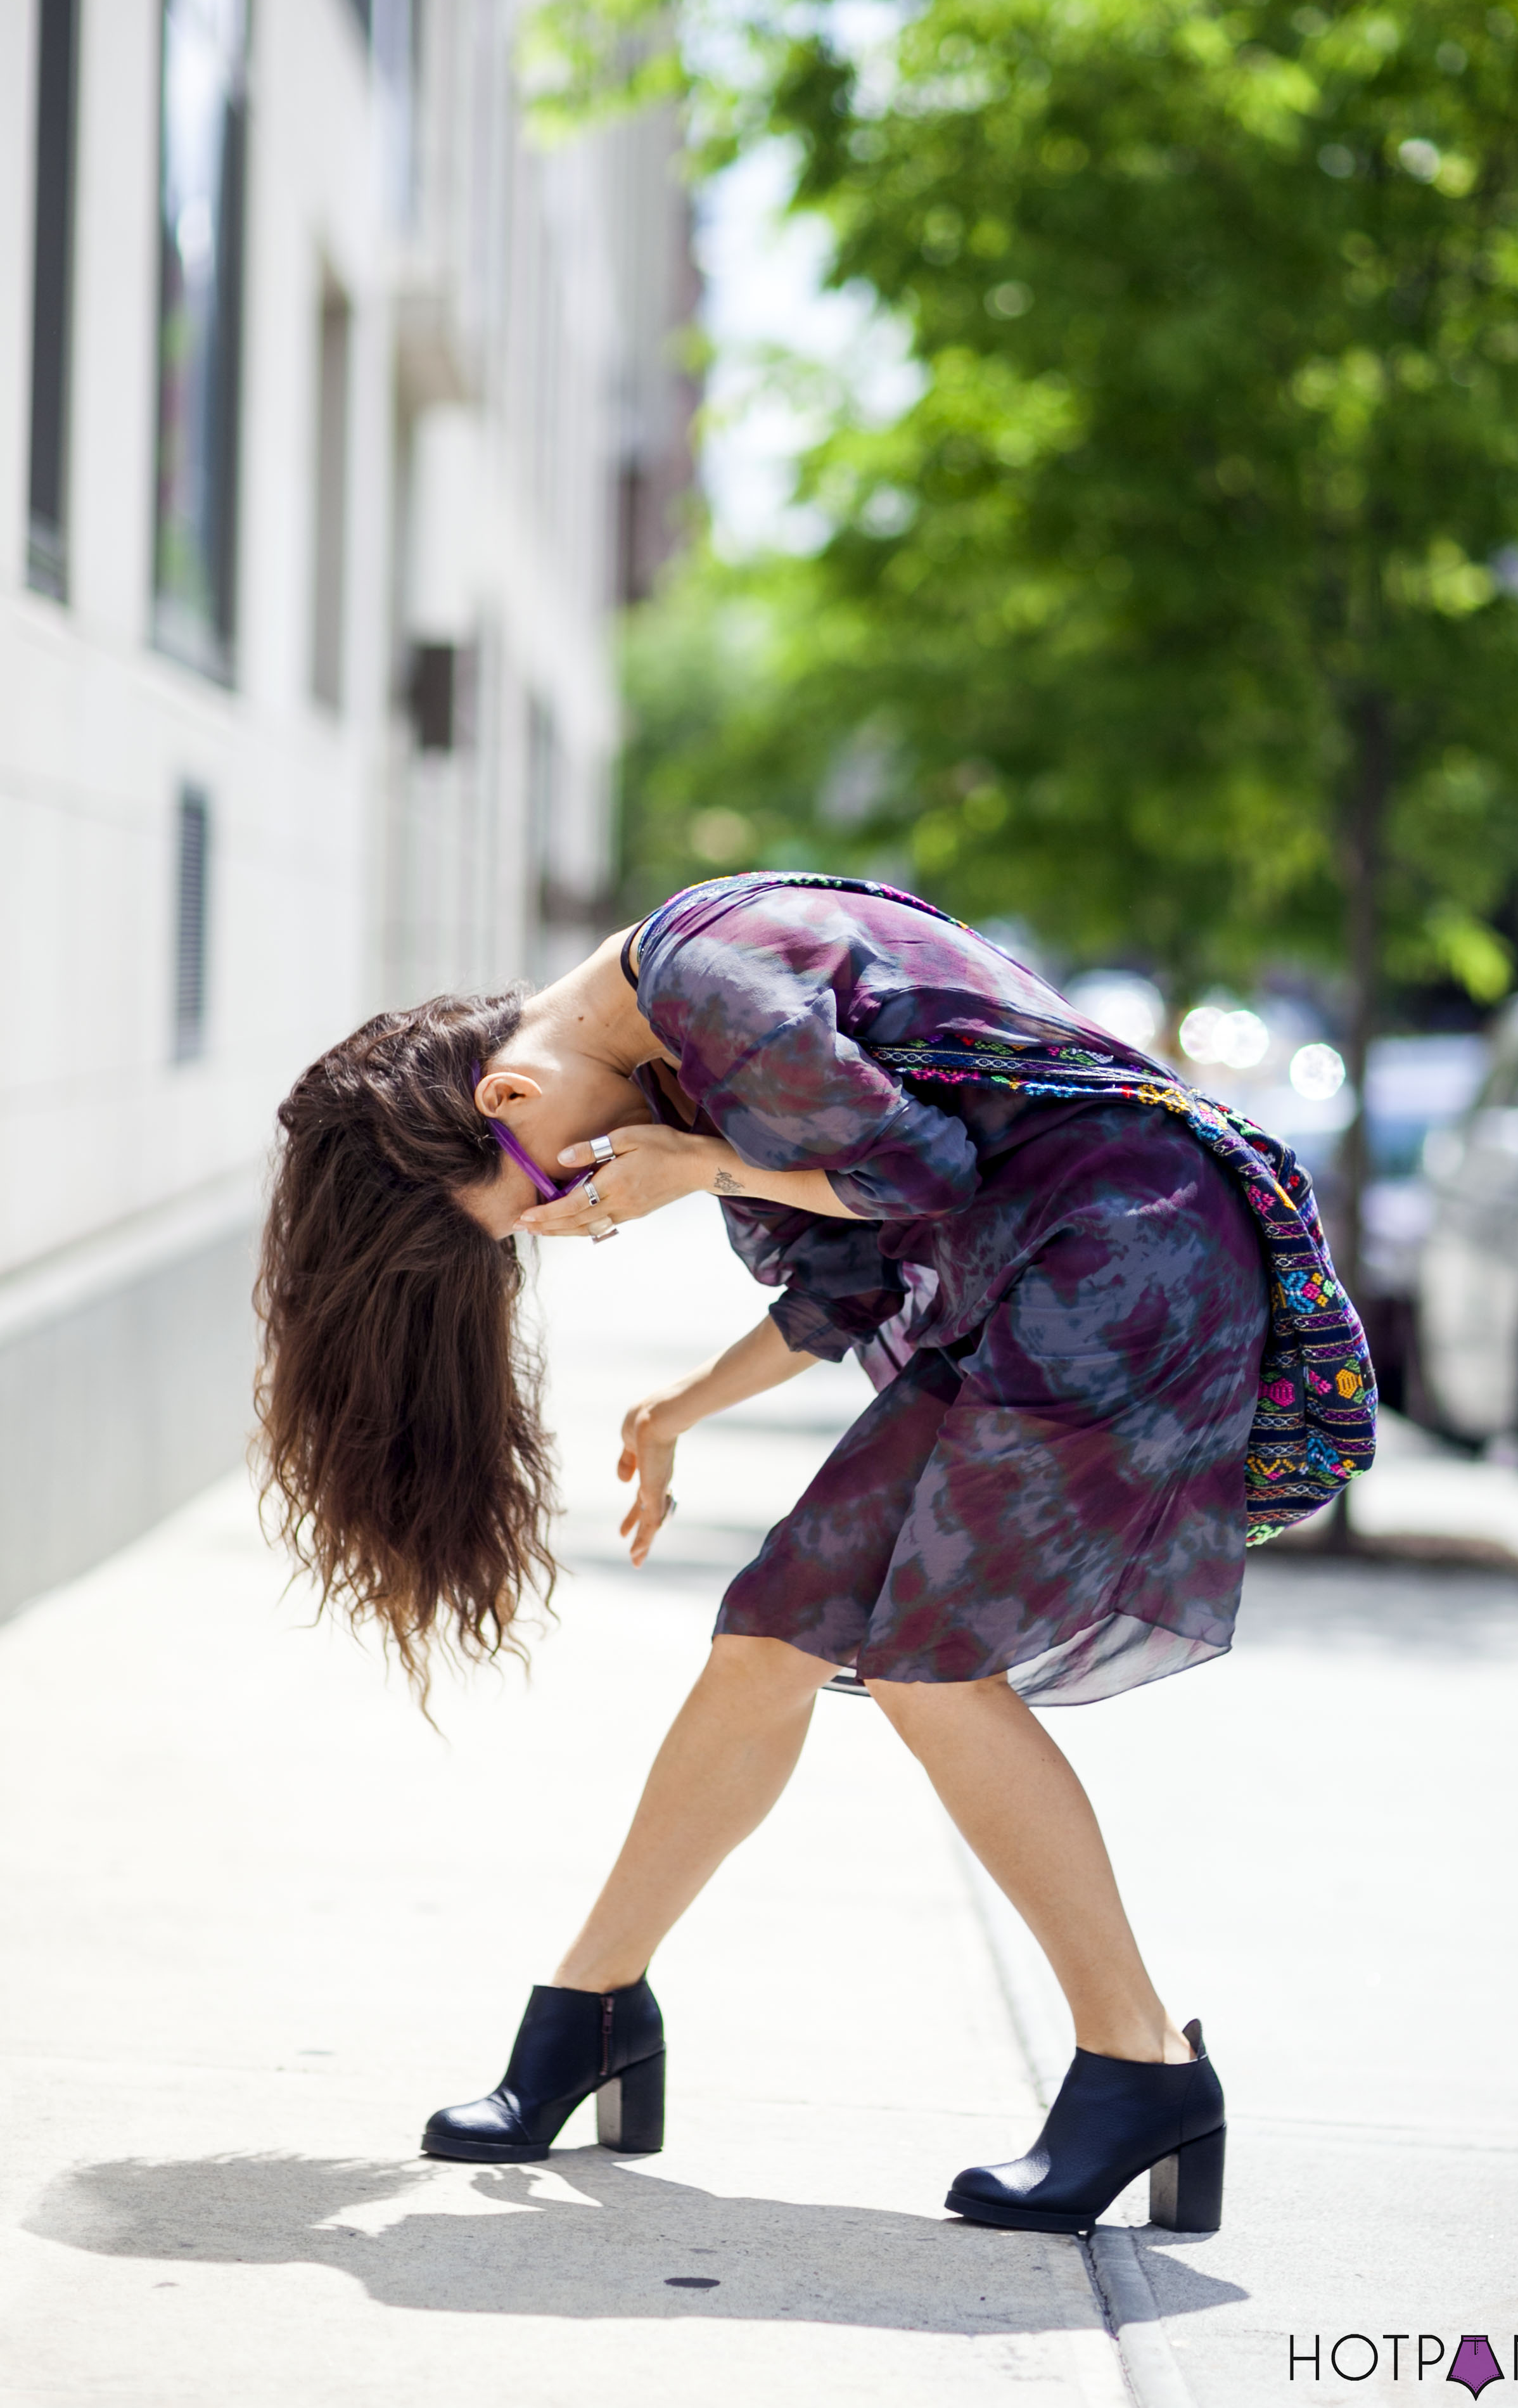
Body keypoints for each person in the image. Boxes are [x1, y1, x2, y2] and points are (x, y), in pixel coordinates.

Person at [257, 872, 1292, 2237]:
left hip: (1128, 1258)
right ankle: (592, 2011)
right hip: (1031, 1272)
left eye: (552, 1199)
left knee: (933, 1662)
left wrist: (704, 1167)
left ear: (508, 1097)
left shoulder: (710, 984)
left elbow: (926, 1173)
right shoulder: (661, 1050)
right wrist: (682, 1402)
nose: (584, 1208)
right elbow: (859, 1268)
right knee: (774, 1629)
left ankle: (1142, 2061)